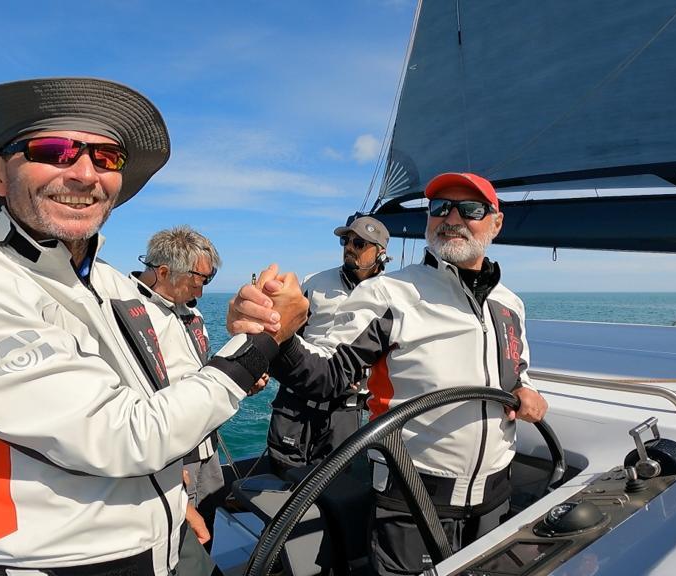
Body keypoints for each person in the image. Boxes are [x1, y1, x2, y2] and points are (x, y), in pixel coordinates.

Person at [0, 78, 306, 576]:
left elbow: (181, 393)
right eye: (53, 151)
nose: (84, 173)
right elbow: (123, 435)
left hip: (163, 538)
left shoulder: (112, 285)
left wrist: (164, 495)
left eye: (107, 158)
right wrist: (266, 338)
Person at [232, 172, 549, 576]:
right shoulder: (391, 294)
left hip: (496, 495)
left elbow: (517, 371)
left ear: (496, 222)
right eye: (440, 208)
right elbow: (326, 375)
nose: (452, 217)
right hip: (413, 497)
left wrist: (528, 392)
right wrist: (279, 335)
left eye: (469, 208)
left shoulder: (509, 305)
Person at [129, 225, 233, 550]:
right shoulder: (130, 314)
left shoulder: (190, 311)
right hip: (171, 454)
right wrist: (164, 469)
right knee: (177, 539)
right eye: (198, 282)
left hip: (206, 445)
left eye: (207, 282)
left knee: (208, 523)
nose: (201, 293)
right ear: (163, 272)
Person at [266, 216, 390, 477]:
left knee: (336, 483)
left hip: (345, 410)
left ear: (380, 253)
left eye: (359, 243)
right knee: (282, 474)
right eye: (346, 241)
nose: (350, 247)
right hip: (296, 402)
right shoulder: (314, 283)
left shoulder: (389, 296)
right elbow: (288, 330)